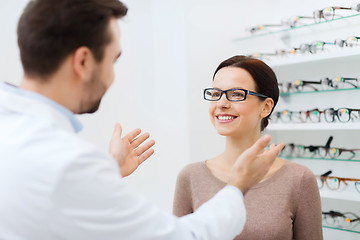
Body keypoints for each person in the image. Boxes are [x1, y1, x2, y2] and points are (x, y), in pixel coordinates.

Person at [0, 1, 285, 239]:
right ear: (84, 62)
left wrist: (109, 171)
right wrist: (238, 186)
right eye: (113, 60)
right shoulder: (69, 162)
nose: (112, 77)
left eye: (236, 94)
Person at [173, 55, 323, 240]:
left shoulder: (299, 179)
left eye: (236, 94)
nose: (221, 103)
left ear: (266, 107)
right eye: (215, 94)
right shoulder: (190, 177)